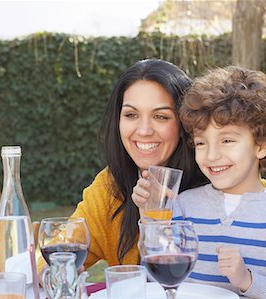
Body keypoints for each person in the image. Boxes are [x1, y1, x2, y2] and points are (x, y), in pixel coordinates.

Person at [41, 59, 208, 270]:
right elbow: (59, 247)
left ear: (185, 123)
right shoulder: (109, 188)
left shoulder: (220, 182)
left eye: (161, 116)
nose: (144, 130)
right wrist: (53, 268)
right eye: (131, 115)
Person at [172, 66, 266, 298]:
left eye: (227, 140)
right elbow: (160, 275)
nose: (211, 155)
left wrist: (247, 280)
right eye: (201, 143)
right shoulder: (182, 206)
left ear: (261, 146)